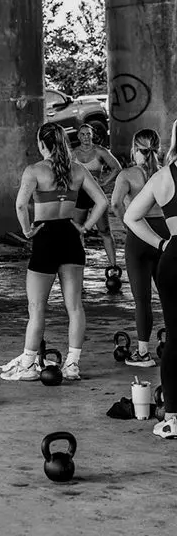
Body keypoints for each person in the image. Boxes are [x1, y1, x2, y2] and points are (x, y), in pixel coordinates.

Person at [0, 122, 107, 382]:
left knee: (36, 308)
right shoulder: (78, 170)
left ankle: (27, 365)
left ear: (42, 144)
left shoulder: (35, 170)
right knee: (75, 307)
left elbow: (20, 205)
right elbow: (103, 201)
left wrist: (27, 231)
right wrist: (84, 228)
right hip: (70, 238)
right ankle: (72, 365)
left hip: (45, 238)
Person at [125, 119, 177, 439]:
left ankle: (173, 416)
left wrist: (162, 243)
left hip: (175, 257)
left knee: (176, 338)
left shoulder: (162, 178)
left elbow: (131, 216)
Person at [111, 129, 165, 367]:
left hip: (139, 233)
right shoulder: (167, 173)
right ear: (158, 149)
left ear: (135, 148)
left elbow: (114, 203)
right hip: (164, 232)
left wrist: (127, 224)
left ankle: (143, 353)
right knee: (170, 295)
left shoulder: (127, 175)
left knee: (142, 299)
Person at [72, 123, 121, 269]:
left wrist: (104, 182)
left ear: (92, 135)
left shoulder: (100, 151)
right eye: (83, 134)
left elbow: (117, 167)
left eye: (88, 134)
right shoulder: (73, 153)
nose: (86, 137)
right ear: (78, 136)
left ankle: (113, 267)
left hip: (96, 196)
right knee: (77, 231)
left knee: (104, 230)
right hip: (80, 195)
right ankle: (78, 265)